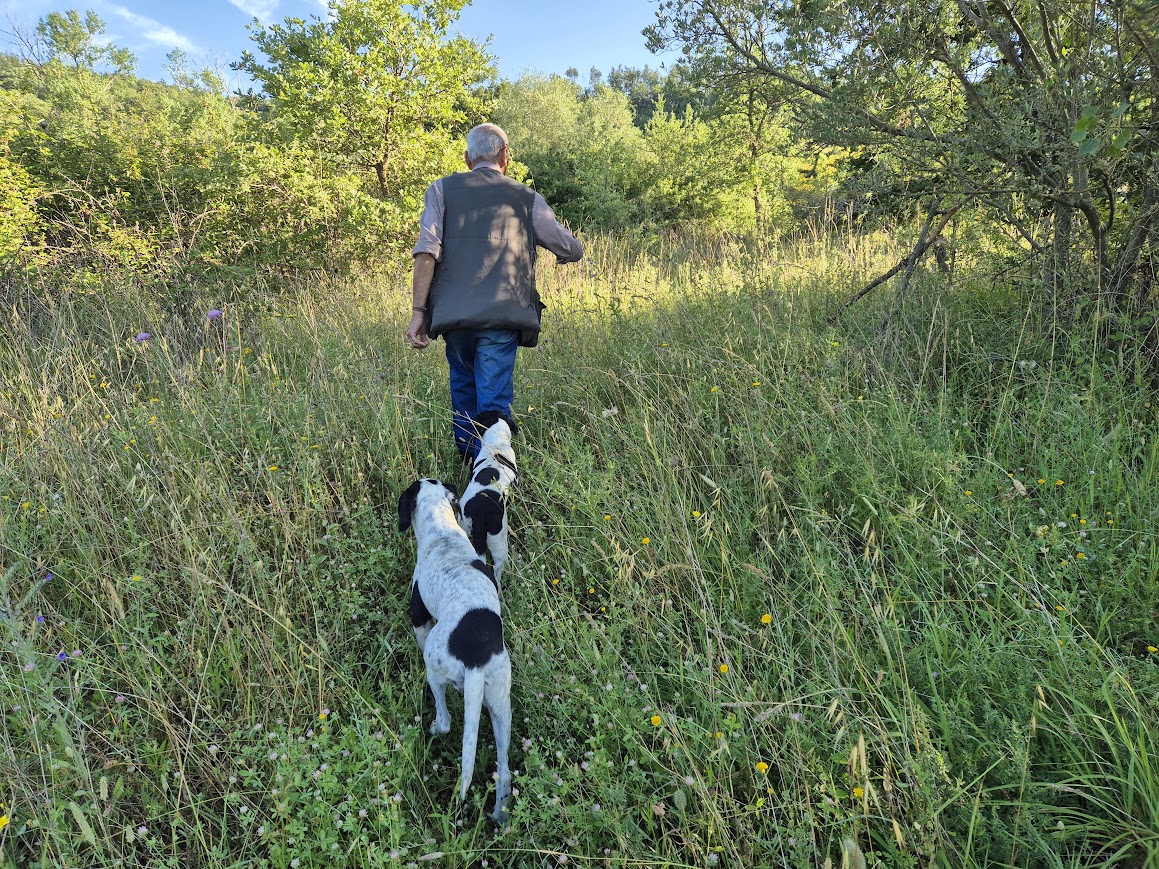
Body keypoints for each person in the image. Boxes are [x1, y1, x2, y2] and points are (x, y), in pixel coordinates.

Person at [406, 123, 584, 460]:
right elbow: (569, 248)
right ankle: (491, 477)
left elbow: (426, 251)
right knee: (493, 403)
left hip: (454, 318)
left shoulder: (441, 190)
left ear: (467, 158)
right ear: (506, 156)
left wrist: (418, 312)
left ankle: (471, 464)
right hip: (503, 315)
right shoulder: (524, 196)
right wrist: (567, 250)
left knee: (464, 391)